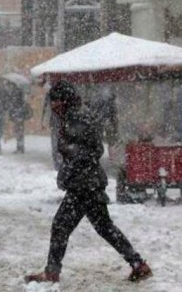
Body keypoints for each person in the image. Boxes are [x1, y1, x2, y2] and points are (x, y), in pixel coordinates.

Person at [25, 80, 152, 284]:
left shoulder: (77, 117)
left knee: (61, 226)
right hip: (87, 183)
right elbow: (88, 148)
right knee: (104, 227)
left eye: (55, 101)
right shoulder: (75, 114)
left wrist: (68, 156)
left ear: (64, 100)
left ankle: (52, 272)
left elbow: (89, 150)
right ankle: (138, 264)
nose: (53, 106)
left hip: (83, 185)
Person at [8, 87, 32, 154]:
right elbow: (28, 112)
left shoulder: (15, 102)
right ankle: (20, 148)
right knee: (20, 134)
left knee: (18, 134)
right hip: (20, 119)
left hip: (17, 119)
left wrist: (12, 117)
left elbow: (12, 110)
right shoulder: (23, 102)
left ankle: (20, 148)